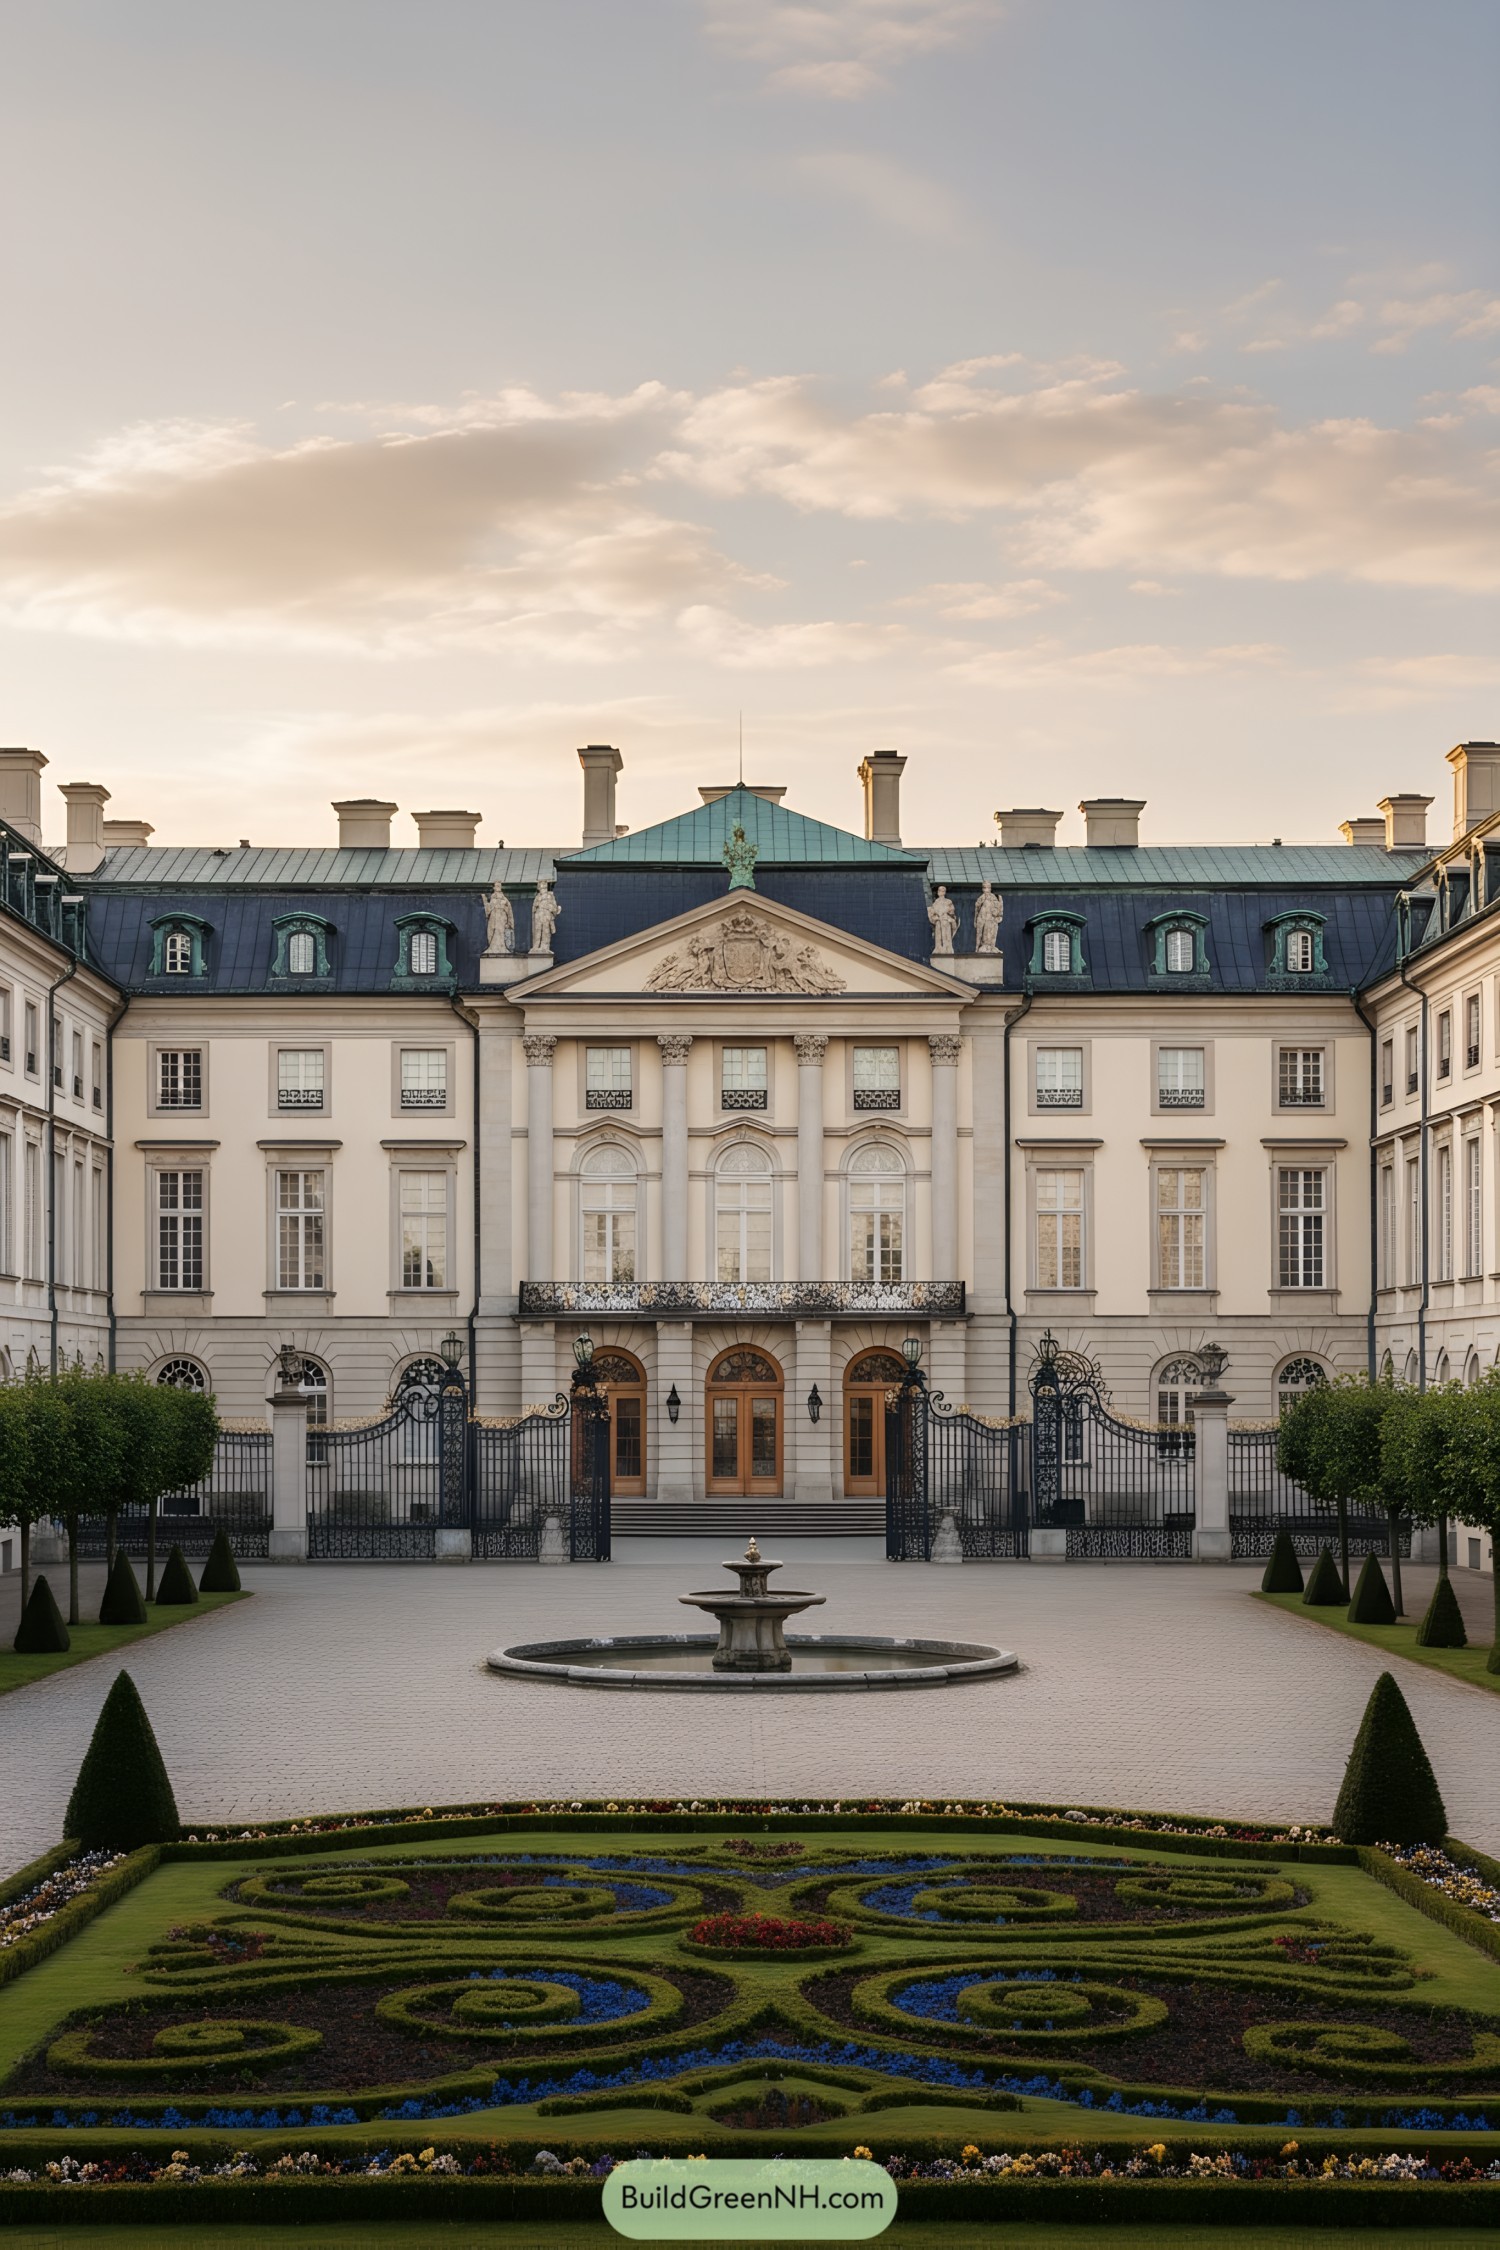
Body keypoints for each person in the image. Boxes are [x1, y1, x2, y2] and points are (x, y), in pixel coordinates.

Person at [483, 882, 515, 955]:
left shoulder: (505, 900)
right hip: (494, 918)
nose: (498, 887)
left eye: (499, 886)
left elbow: (509, 912)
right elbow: (488, 911)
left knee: (500, 932)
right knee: (492, 931)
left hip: (502, 918)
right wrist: (485, 901)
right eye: (496, 886)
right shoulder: (492, 898)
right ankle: (493, 947)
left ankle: (502, 947)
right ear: (494, 888)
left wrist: (509, 922)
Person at [530, 878, 560, 953]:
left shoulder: (550, 896)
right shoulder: (537, 897)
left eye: (544, 887)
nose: (542, 888)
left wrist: (553, 909)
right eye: (541, 887)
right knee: (538, 931)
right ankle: (536, 946)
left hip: (546, 916)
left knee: (545, 932)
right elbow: (533, 909)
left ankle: (545, 947)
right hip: (539, 916)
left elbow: (554, 908)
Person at [973, 880, 1003, 954]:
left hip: (991, 919)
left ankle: (990, 947)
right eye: (984, 887)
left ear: (990, 888)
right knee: (980, 934)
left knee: (990, 933)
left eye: (988, 887)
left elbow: (999, 908)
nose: (986, 889)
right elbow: (977, 910)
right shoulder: (981, 898)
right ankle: (978, 948)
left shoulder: (995, 897)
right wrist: (976, 921)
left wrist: (996, 913)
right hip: (982, 919)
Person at [927, 884, 957, 955]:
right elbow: (932, 915)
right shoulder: (935, 903)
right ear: (938, 892)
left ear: (945, 892)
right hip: (938, 923)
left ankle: (947, 949)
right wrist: (937, 918)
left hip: (946, 922)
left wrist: (948, 917)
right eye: (940, 890)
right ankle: (939, 948)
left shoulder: (948, 902)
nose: (941, 892)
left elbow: (952, 913)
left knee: (946, 936)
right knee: (939, 937)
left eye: (943, 891)